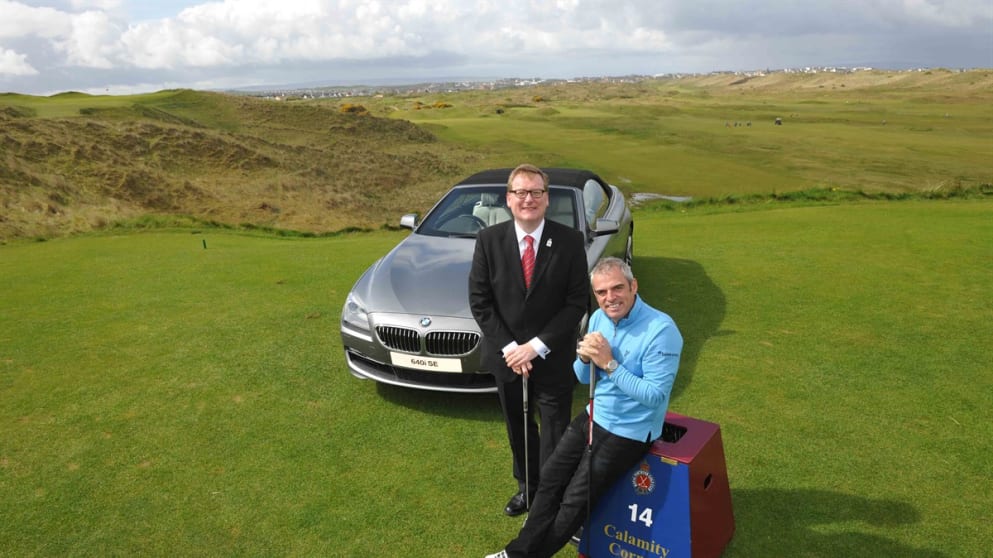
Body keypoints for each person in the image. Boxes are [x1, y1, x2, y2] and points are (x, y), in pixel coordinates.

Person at [485, 257, 683, 558]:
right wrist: (586, 359)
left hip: (630, 431)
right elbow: (580, 376)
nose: (610, 298)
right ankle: (518, 552)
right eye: (601, 293)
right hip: (595, 415)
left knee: (575, 499)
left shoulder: (661, 329)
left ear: (634, 286)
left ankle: (520, 555)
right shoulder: (598, 319)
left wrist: (609, 363)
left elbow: (655, 396)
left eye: (617, 288)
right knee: (550, 478)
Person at [469, 164, 589, 517]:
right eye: (520, 192)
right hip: (507, 360)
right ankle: (527, 487)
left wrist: (535, 346)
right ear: (508, 199)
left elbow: (576, 302)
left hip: (551, 358)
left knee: (555, 432)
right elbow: (480, 301)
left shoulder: (568, 241)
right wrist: (511, 349)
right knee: (519, 428)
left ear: (547, 199)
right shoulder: (488, 241)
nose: (528, 199)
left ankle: (552, 497)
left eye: (536, 192)